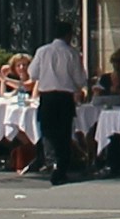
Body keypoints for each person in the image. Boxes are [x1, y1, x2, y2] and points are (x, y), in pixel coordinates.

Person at [30, 21, 84, 184]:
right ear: (69, 35)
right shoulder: (72, 54)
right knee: (63, 132)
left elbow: (32, 73)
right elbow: (80, 79)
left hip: (47, 97)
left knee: (48, 130)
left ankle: (51, 161)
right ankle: (61, 166)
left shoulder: (42, 51)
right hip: (64, 97)